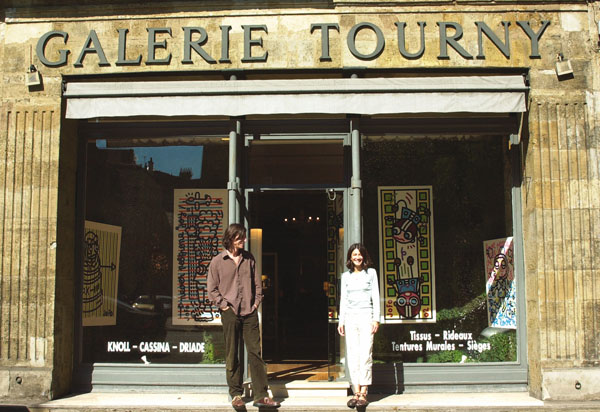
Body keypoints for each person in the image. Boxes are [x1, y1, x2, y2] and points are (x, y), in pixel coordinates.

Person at [207, 223, 280, 410]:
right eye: (241, 238)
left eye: (244, 237)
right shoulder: (217, 261)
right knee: (233, 354)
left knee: (256, 353)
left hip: (249, 312)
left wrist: (255, 304)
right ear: (231, 238)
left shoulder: (249, 258)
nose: (245, 241)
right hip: (230, 312)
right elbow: (212, 290)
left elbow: (258, 285)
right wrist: (224, 307)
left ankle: (261, 395)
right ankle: (236, 394)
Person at [337, 243, 380, 408]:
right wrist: (341, 321)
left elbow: (375, 297)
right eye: (354, 255)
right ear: (350, 257)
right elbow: (344, 300)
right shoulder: (346, 276)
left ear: (364, 256)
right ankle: (356, 391)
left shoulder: (371, 273)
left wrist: (375, 319)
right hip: (350, 318)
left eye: (359, 255)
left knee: (365, 354)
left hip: (366, 317)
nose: (357, 257)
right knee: (353, 355)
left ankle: (364, 392)